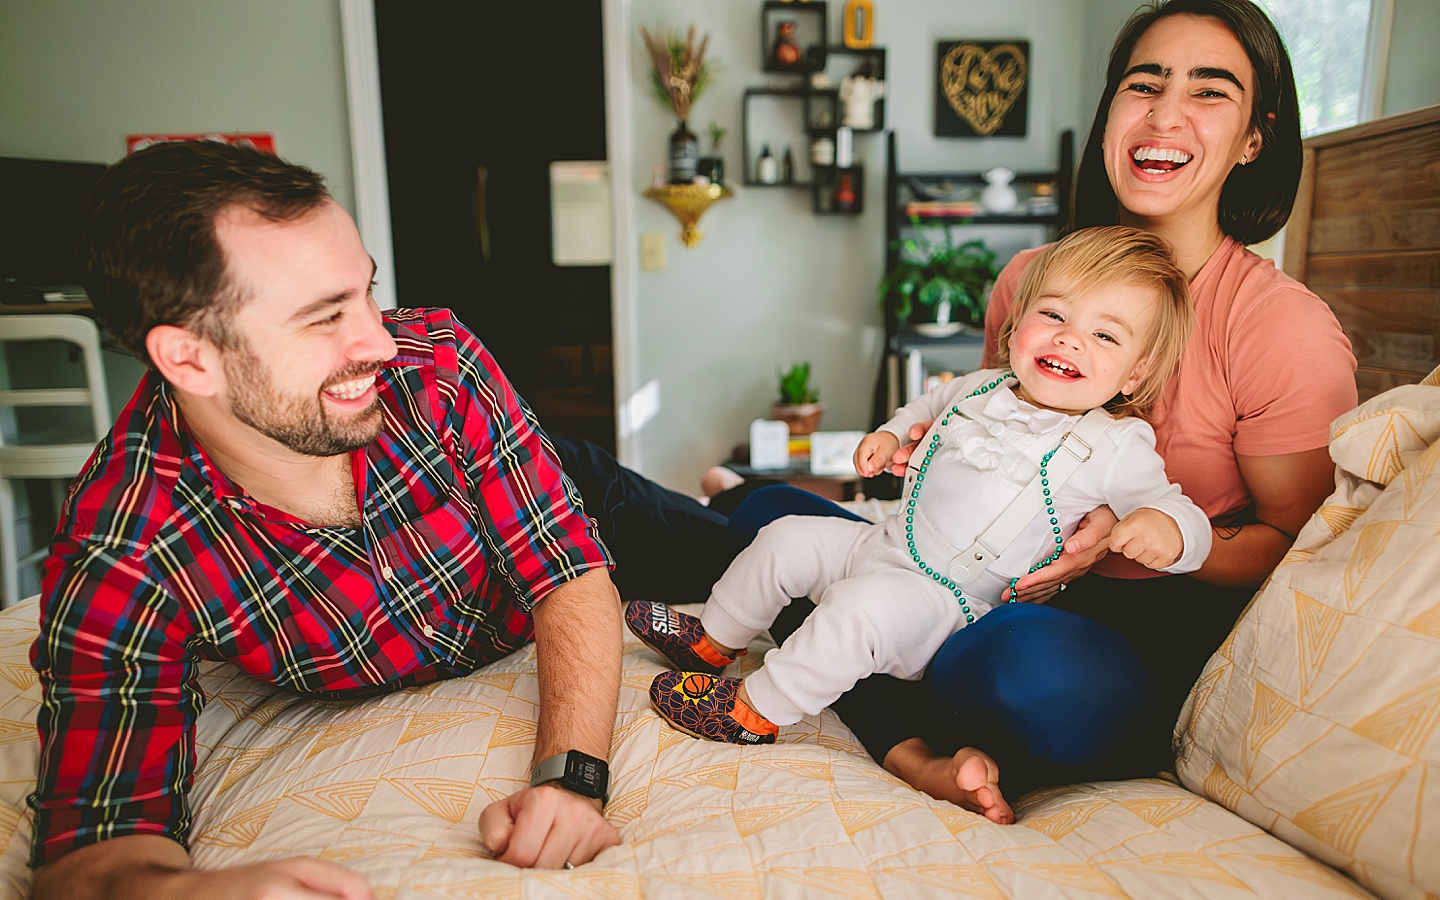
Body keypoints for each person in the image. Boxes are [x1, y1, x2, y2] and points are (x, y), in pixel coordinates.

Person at [557, 0, 1356, 823]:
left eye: (1209, 92)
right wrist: (915, 447)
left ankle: (847, 682)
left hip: (1114, 627)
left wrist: (1130, 538)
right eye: (1142, 83)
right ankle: (905, 740)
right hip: (975, 573)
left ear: (1255, 137)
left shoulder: (1281, 328)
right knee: (774, 517)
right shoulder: (1032, 277)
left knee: (1004, 665)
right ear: (1111, 108)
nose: (1164, 114)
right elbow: (986, 423)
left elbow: (1298, 549)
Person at [28, 140, 624, 900]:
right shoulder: (126, 545)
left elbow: (568, 570)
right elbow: (88, 848)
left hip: (588, 499)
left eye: (366, 293)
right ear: (188, 357)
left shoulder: (436, 366)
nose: (379, 341)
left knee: (796, 549)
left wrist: (570, 776)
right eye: (324, 317)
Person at [630, 228, 1208, 784]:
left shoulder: (1115, 446)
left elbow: (1177, 509)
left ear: (1136, 374)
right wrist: (891, 434)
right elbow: (921, 406)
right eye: (1054, 315)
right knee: (784, 536)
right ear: (1017, 325)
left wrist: (1168, 529)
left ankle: (757, 710)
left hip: (942, 597)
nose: (1069, 339)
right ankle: (713, 639)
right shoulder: (982, 385)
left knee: (858, 610)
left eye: (1105, 336)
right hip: (883, 542)